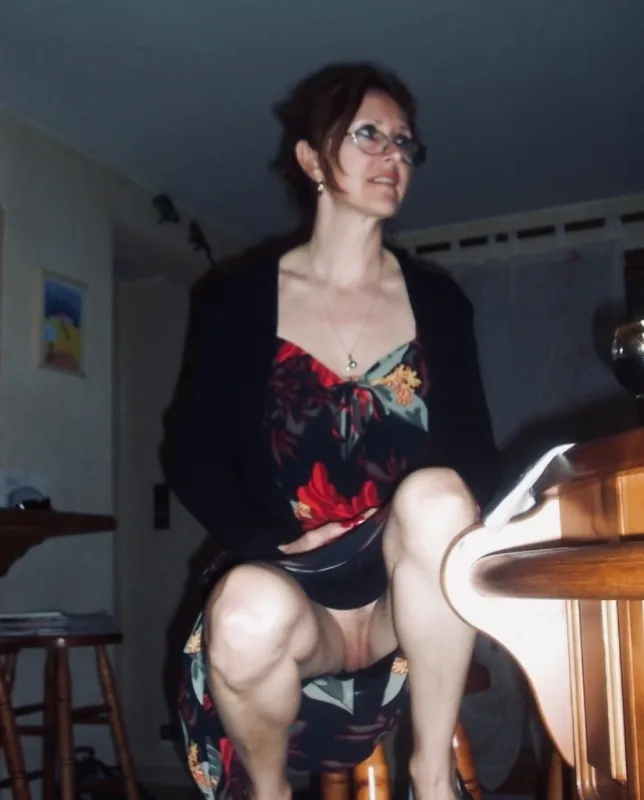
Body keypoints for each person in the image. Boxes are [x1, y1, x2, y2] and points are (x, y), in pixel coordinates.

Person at [163, 61, 501, 800]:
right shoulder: (237, 302)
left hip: (404, 595)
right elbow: (191, 456)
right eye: (368, 135)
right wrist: (271, 542)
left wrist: (409, 527)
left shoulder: (439, 304)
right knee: (245, 610)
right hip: (298, 592)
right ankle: (270, 791)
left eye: (405, 143)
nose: (393, 155)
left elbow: (478, 457)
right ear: (312, 159)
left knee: (440, 495)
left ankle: (431, 776)